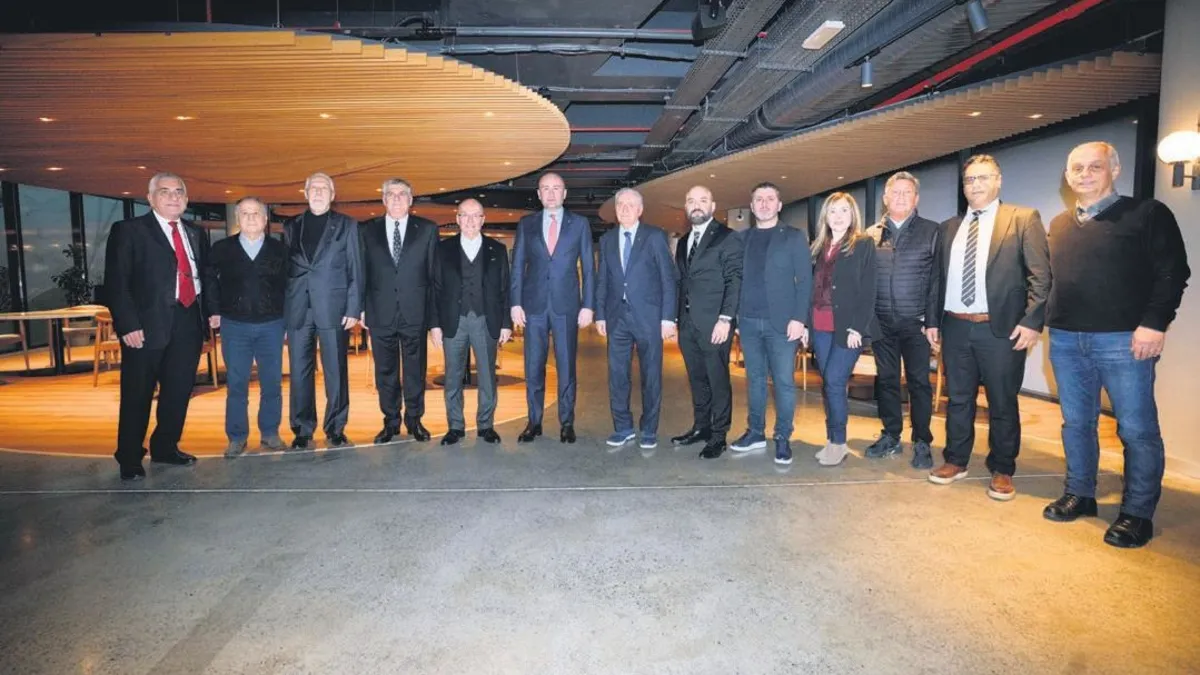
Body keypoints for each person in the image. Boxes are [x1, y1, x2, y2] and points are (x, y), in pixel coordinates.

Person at [1043, 141, 1190, 548]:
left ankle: (1137, 513)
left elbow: (1173, 272)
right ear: (1067, 176)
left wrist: (1154, 324)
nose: (1084, 174)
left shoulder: (1147, 213)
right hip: (1066, 339)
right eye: (1076, 168)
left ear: (1115, 169)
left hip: (1124, 340)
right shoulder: (1059, 224)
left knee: (1137, 430)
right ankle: (1080, 493)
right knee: (1076, 424)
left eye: (1095, 166)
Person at [928, 154, 1051, 502]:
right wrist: (932, 321)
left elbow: (1041, 277)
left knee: (1002, 402)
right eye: (969, 180)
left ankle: (1002, 468)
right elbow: (937, 279)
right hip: (955, 326)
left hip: (1001, 329)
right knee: (958, 399)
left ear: (998, 181)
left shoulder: (1022, 219)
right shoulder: (949, 227)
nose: (976, 185)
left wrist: (1031, 322)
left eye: (983, 178)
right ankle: (956, 460)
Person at [104, 172, 210, 480]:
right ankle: (129, 456)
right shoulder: (129, 230)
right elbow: (116, 283)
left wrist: (210, 315)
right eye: (165, 192)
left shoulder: (195, 232)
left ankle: (165, 447)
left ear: (186, 199)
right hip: (144, 327)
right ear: (150, 198)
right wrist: (128, 324)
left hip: (188, 321)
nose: (173, 197)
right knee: (137, 393)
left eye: (179, 192)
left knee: (178, 391)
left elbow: (203, 275)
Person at [863, 172, 942, 468]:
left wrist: (932, 321)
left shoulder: (932, 231)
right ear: (885, 198)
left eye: (907, 192)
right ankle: (891, 435)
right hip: (882, 323)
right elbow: (864, 280)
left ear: (916, 198)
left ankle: (922, 441)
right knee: (886, 380)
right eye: (894, 192)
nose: (900, 197)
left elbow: (937, 281)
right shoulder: (871, 235)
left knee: (919, 382)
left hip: (916, 324)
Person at [730, 182, 812, 465]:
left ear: (779, 205)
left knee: (783, 383)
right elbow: (736, 280)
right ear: (752, 207)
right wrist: (736, 317)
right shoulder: (742, 239)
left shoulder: (793, 237)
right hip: (749, 322)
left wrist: (799, 319)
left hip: (783, 324)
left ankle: (782, 437)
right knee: (754, 381)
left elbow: (805, 281)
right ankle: (755, 432)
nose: (764, 204)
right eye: (758, 199)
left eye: (769, 199)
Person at [509, 172, 595, 444]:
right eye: (545, 188)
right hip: (533, 306)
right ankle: (533, 422)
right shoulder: (527, 224)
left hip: (566, 306)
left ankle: (566, 422)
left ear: (564, 193)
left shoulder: (579, 224)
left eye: (556, 188)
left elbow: (589, 269)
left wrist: (588, 305)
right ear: (538, 194)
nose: (550, 193)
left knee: (567, 366)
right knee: (533, 366)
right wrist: (515, 302)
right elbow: (517, 266)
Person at [282, 172, 364, 450]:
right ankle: (302, 429)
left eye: (323, 188)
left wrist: (353, 307)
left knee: (335, 371)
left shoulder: (347, 225)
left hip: (334, 308)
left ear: (333, 194)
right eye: (313, 188)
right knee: (299, 372)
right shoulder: (291, 225)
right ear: (305, 193)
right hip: (298, 309)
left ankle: (335, 428)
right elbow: (286, 269)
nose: (318, 192)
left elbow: (356, 268)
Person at [204, 197, 289, 457]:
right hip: (234, 326)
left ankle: (270, 433)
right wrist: (214, 310)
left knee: (272, 383)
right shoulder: (222, 249)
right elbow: (210, 281)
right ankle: (237, 437)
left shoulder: (280, 250)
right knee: (237, 384)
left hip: (272, 325)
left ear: (265, 219)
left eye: (256, 213)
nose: (251, 218)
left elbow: (289, 287)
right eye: (245, 213)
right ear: (237, 218)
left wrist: (287, 320)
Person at [594, 188, 678, 450]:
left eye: (631, 205)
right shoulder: (607, 240)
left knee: (651, 375)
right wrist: (600, 314)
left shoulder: (654, 236)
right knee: (617, 376)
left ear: (640, 210)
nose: (625, 208)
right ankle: (623, 427)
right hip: (616, 318)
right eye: (620, 204)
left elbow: (668, 278)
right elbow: (602, 280)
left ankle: (649, 429)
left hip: (649, 318)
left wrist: (668, 318)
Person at [359, 177, 438, 444]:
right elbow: (360, 273)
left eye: (402, 194)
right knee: (385, 372)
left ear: (410, 200)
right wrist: (361, 308)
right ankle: (390, 421)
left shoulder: (427, 229)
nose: (396, 199)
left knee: (415, 370)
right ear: (383, 199)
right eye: (390, 194)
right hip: (379, 312)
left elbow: (433, 277)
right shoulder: (366, 230)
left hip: (415, 312)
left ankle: (414, 420)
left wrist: (433, 318)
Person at [430, 200, 513, 446]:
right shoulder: (442, 249)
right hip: (452, 320)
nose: (470, 221)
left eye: (475, 215)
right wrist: (434, 325)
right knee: (452, 376)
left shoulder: (497, 249)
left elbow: (505, 289)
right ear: (457, 219)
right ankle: (455, 426)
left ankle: (486, 425)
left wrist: (506, 323)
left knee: (487, 376)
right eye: (464, 215)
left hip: (486, 319)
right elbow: (435, 289)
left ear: (483, 219)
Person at [671, 185, 744, 459]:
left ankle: (719, 435)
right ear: (686, 207)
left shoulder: (727, 237)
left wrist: (726, 319)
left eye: (703, 200)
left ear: (713, 207)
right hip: (688, 324)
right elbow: (682, 282)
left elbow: (734, 280)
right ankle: (701, 427)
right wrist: (676, 319)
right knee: (697, 379)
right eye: (691, 200)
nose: (696, 205)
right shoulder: (683, 242)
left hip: (715, 324)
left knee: (717, 380)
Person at [809, 193, 877, 467]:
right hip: (819, 325)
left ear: (853, 215)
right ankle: (832, 439)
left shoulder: (863, 244)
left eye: (844, 211)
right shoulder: (817, 247)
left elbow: (869, 290)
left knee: (835, 381)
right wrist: (805, 325)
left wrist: (857, 328)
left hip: (847, 328)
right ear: (825, 216)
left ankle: (839, 443)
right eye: (833, 211)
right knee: (829, 384)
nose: (838, 217)